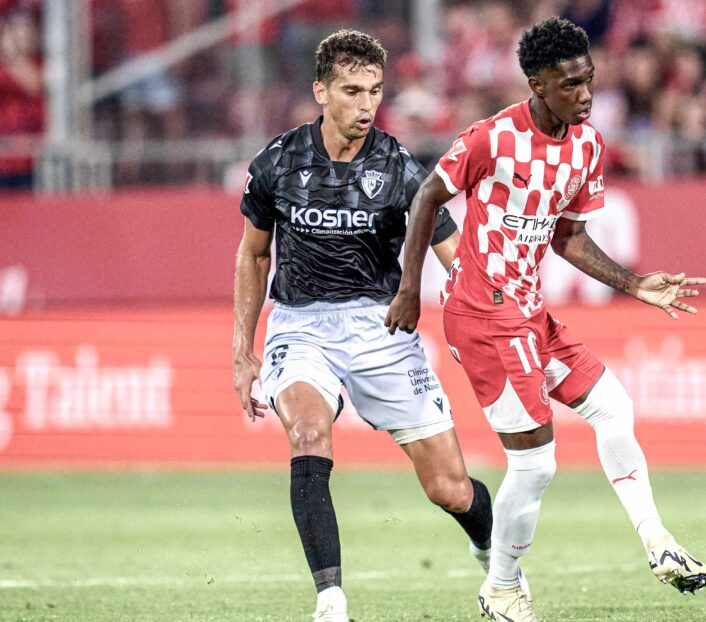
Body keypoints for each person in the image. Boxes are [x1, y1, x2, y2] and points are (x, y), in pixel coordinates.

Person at [386, 16, 706, 622]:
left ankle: (657, 540)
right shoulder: (492, 137)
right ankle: (502, 586)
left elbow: (570, 239)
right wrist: (410, 288)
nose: (585, 94)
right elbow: (428, 195)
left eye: (588, 81)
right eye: (570, 86)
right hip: (481, 314)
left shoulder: (587, 145)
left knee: (614, 407)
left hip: (530, 312)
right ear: (537, 84)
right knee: (536, 463)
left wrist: (634, 283)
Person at [232, 30, 495, 622]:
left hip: (383, 329)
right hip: (301, 325)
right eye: (352, 91)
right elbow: (252, 256)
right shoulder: (277, 162)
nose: (366, 104)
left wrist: (483, 313)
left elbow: (456, 258)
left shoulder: (400, 167)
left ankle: (494, 553)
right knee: (307, 436)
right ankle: (331, 601)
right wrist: (241, 350)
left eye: (375, 91)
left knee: (449, 489)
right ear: (321, 91)